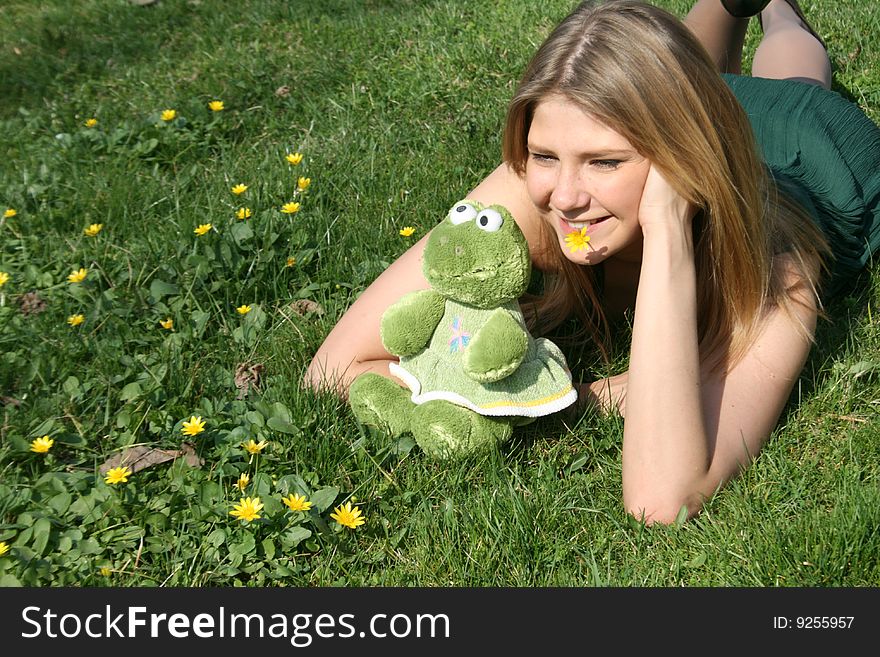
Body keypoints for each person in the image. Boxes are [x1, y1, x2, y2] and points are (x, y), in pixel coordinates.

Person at [305, 0, 880, 524]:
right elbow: (330, 369)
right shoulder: (538, 186)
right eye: (544, 154)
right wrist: (561, 396)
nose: (566, 198)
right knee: (684, 72)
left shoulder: (780, 265)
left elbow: (663, 498)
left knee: (795, 80)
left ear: (680, 163)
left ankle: (780, 12)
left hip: (807, 150)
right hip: (696, 117)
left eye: (604, 162)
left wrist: (669, 230)